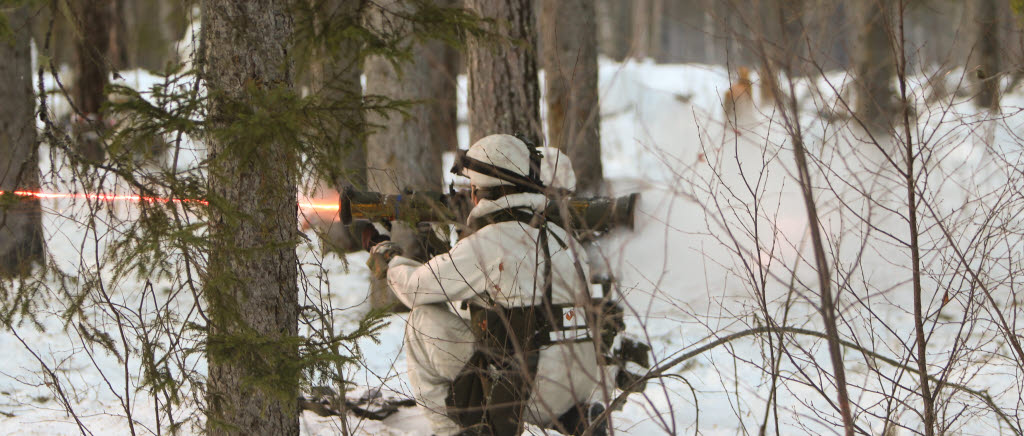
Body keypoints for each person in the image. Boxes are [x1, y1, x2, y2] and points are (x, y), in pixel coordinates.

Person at [368, 134, 606, 435]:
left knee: (421, 320)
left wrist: (385, 254)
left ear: (479, 190)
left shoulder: (490, 243)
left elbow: (416, 289)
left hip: (527, 389)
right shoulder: (564, 240)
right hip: (579, 384)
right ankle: (575, 419)